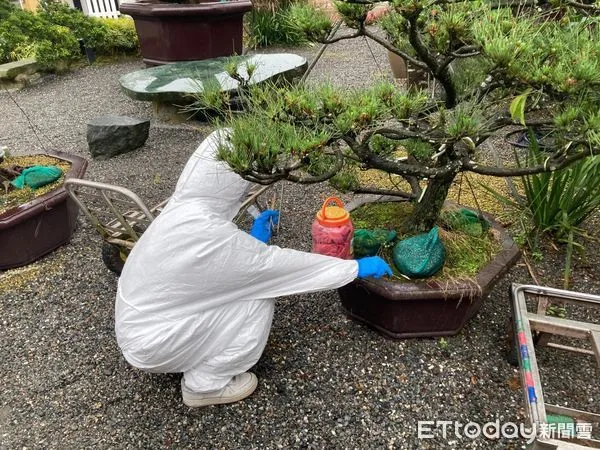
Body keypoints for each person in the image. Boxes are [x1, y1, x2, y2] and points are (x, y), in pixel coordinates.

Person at [115, 129, 392, 408]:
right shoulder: (208, 237)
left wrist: (253, 241)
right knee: (257, 301)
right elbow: (277, 268)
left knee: (248, 287)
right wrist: (353, 268)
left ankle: (195, 354)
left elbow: (212, 268)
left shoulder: (183, 211)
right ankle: (205, 384)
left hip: (144, 323)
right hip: (153, 342)